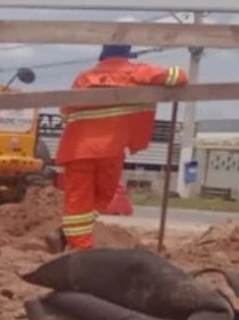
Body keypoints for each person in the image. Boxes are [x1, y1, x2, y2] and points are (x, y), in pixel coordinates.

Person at [56, 45, 186, 250]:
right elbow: (179, 76)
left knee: (78, 201)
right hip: (111, 149)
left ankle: (76, 241)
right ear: (127, 54)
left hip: (78, 149)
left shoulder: (83, 78)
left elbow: (65, 112)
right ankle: (80, 246)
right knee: (105, 196)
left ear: (102, 55)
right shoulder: (138, 72)